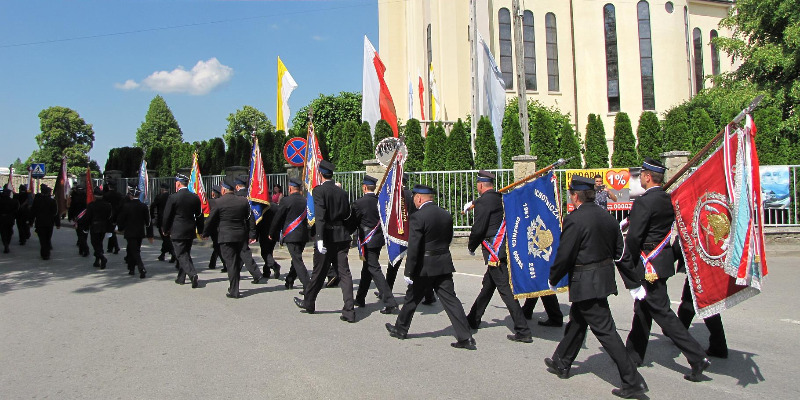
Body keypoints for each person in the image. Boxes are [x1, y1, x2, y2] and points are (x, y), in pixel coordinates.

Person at [544, 176, 647, 398]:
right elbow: (621, 253)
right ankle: (561, 361)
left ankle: (632, 381)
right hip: (602, 280)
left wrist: (554, 277)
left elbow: (565, 254)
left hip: (585, 282)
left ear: (574, 196)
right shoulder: (607, 217)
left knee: (606, 331)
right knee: (578, 322)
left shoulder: (575, 220)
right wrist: (633, 282)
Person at [619, 157, 710, 382]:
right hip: (661, 260)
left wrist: (627, 261)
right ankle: (634, 353)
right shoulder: (665, 198)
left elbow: (635, 237)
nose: (640, 177)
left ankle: (697, 356)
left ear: (648, 177)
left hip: (648, 262)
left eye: (642, 175)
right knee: (643, 309)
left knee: (662, 313)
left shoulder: (644, 202)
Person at [385, 184, 476, 350]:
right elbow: (448, 239)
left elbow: (414, 246)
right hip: (443, 263)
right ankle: (466, 337)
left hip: (424, 266)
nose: (414, 201)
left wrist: (408, 271)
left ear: (419, 198)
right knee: (451, 300)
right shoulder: (445, 214)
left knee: (411, 298)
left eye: (414, 198)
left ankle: (400, 329)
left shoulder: (418, 217)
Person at [465, 170, 532, 343]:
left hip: (493, 250)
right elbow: (490, 207)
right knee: (488, 286)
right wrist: (474, 202)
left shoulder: (483, 202)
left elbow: (479, 227)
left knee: (506, 291)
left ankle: (523, 330)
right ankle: (473, 318)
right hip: (503, 248)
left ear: (480, 185)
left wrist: (471, 245)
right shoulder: (500, 198)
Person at [293, 160, 356, 323]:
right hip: (341, 236)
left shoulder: (319, 190)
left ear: (320, 174)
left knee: (319, 272)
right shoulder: (342, 192)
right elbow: (348, 215)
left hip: (327, 236)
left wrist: (319, 239)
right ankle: (349, 310)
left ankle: (309, 303)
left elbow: (320, 216)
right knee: (344, 273)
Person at [383, 173, 436, 305]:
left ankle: (387, 291)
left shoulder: (398, 196)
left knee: (394, 263)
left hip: (402, 233)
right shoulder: (410, 194)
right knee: (419, 264)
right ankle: (429, 295)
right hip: (415, 230)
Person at [202, 180, 256, 298]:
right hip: (241, 236)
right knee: (236, 262)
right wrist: (252, 234)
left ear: (223, 190)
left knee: (231, 263)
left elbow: (211, 219)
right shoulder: (243, 201)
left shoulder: (218, 202)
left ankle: (234, 290)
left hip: (226, 236)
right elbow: (250, 218)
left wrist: (205, 233)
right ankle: (234, 287)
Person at [352, 175, 398, 314]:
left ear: (364, 187)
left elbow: (354, 221)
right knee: (367, 268)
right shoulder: (380, 201)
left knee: (374, 268)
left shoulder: (359, 203)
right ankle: (360, 298)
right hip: (378, 239)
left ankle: (390, 301)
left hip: (367, 240)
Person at [674, 242, 728, 358]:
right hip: (706, 262)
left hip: (700, 264)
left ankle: (718, 345)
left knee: (703, 304)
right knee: (690, 301)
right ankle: (677, 332)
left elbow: (683, 240)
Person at [163, 174, 204, 288]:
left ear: (178, 183)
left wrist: (165, 229)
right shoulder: (194, 197)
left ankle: (192, 274)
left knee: (181, 254)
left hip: (177, 230)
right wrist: (200, 230)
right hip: (190, 229)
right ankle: (181, 278)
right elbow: (199, 215)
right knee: (185, 253)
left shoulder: (173, 197)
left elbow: (167, 215)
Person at [270, 178, 310, 291]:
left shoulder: (286, 201)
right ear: (300, 188)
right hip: (303, 235)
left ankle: (308, 285)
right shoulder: (306, 200)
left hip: (291, 235)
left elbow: (278, 217)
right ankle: (289, 280)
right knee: (296, 258)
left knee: (297, 260)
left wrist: (272, 232)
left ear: (290, 188)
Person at [234, 178, 268, 284]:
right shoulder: (251, 196)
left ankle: (257, 275)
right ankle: (235, 272)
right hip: (246, 228)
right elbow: (252, 216)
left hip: (237, 228)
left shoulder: (237, 198)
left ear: (237, 186)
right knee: (241, 252)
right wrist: (253, 232)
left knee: (243, 252)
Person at [117, 186, 153, 278]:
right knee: (132, 249)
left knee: (134, 251)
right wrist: (150, 234)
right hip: (140, 232)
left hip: (130, 232)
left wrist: (120, 228)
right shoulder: (143, 206)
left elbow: (121, 219)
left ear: (131, 195)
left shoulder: (126, 206)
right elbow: (148, 221)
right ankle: (131, 268)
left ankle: (141, 268)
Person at [80, 187, 112, 268]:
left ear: (94, 195)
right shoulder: (107, 205)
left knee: (94, 243)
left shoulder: (91, 205)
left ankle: (102, 257)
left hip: (95, 226)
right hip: (104, 226)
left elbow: (88, 217)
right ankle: (97, 260)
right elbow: (109, 217)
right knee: (99, 243)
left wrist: (85, 227)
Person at [29, 184, 60, 260]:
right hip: (49, 223)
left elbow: (33, 212)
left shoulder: (37, 201)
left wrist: (31, 222)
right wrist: (57, 223)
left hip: (40, 222)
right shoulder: (52, 201)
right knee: (47, 238)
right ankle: (47, 252)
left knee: (42, 239)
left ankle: (44, 253)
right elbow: (55, 213)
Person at [257, 198, 282, 280]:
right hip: (274, 232)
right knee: (269, 252)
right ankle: (266, 271)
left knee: (265, 253)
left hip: (264, 233)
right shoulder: (276, 206)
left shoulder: (262, 207)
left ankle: (274, 265)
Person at [150, 183, 176, 263]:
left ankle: (173, 253)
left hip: (161, 220)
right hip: (171, 220)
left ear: (161, 189)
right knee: (166, 237)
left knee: (165, 238)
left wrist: (152, 216)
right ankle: (162, 254)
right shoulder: (171, 197)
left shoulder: (159, 197)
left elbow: (152, 206)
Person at [206, 185, 225, 271]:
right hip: (220, 227)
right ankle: (213, 263)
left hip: (213, 228)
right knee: (217, 246)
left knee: (217, 246)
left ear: (213, 193)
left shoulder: (210, 202)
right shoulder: (221, 202)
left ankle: (216, 263)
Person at [68, 185, 90, 257]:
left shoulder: (74, 198)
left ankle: (83, 248)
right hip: (86, 218)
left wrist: (70, 217)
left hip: (78, 218)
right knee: (85, 233)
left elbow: (71, 208)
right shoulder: (87, 197)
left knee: (80, 234)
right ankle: (82, 248)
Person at [103, 183, 124, 254]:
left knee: (111, 231)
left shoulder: (106, 195)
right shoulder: (119, 195)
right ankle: (110, 248)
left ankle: (116, 247)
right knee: (111, 230)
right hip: (117, 214)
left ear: (109, 187)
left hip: (109, 214)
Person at [0, 185, 19, 253]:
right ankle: (7, 243)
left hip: (2, 218)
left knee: (3, 232)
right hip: (10, 218)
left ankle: (5, 244)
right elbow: (16, 211)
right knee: (9, 231)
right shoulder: (14, 201)